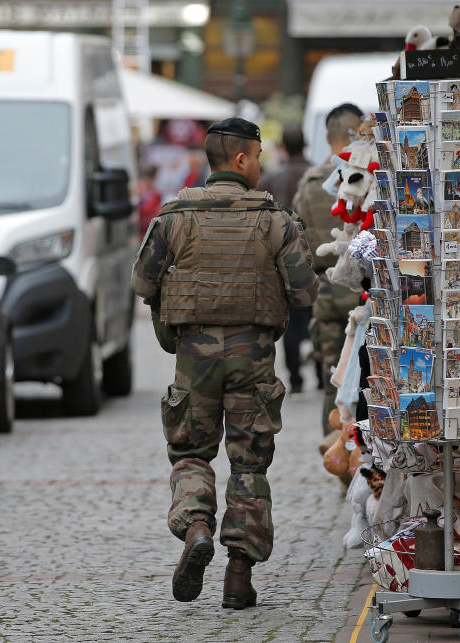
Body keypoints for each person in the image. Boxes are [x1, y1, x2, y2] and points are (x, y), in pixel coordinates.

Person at [133, 117, 319, 609]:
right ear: (241, 160)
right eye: (258, 157)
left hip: (193, 358)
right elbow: (304, 292)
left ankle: (196, 526)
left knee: (192, 454)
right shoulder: (274, 219)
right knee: (249, 464)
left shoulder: (174, 216)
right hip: (252, 357)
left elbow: (142, 282)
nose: (260, 165)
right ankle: (239, 577)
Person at [292, 103, 364, 437]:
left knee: (332, 376)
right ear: (357, 133)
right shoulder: (369, 176)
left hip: (325, 290)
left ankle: (333, 449)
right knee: (367, 376)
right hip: (363, 293)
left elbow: (299, 240)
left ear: (326, 137)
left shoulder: (310, 182)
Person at [258, 126, 313, 393]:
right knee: (316, 318)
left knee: (290, 321)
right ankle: (324, 376)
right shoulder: (317, 176)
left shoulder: (270, 179)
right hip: (317, 260)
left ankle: (295, 379)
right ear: (307, 143)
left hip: (281, 261)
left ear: (282, 146)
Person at [137, 165, 162, 237]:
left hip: (151, 228)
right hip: (145, 229)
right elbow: (146, 209)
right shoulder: (142, 190)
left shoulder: (154, 192)